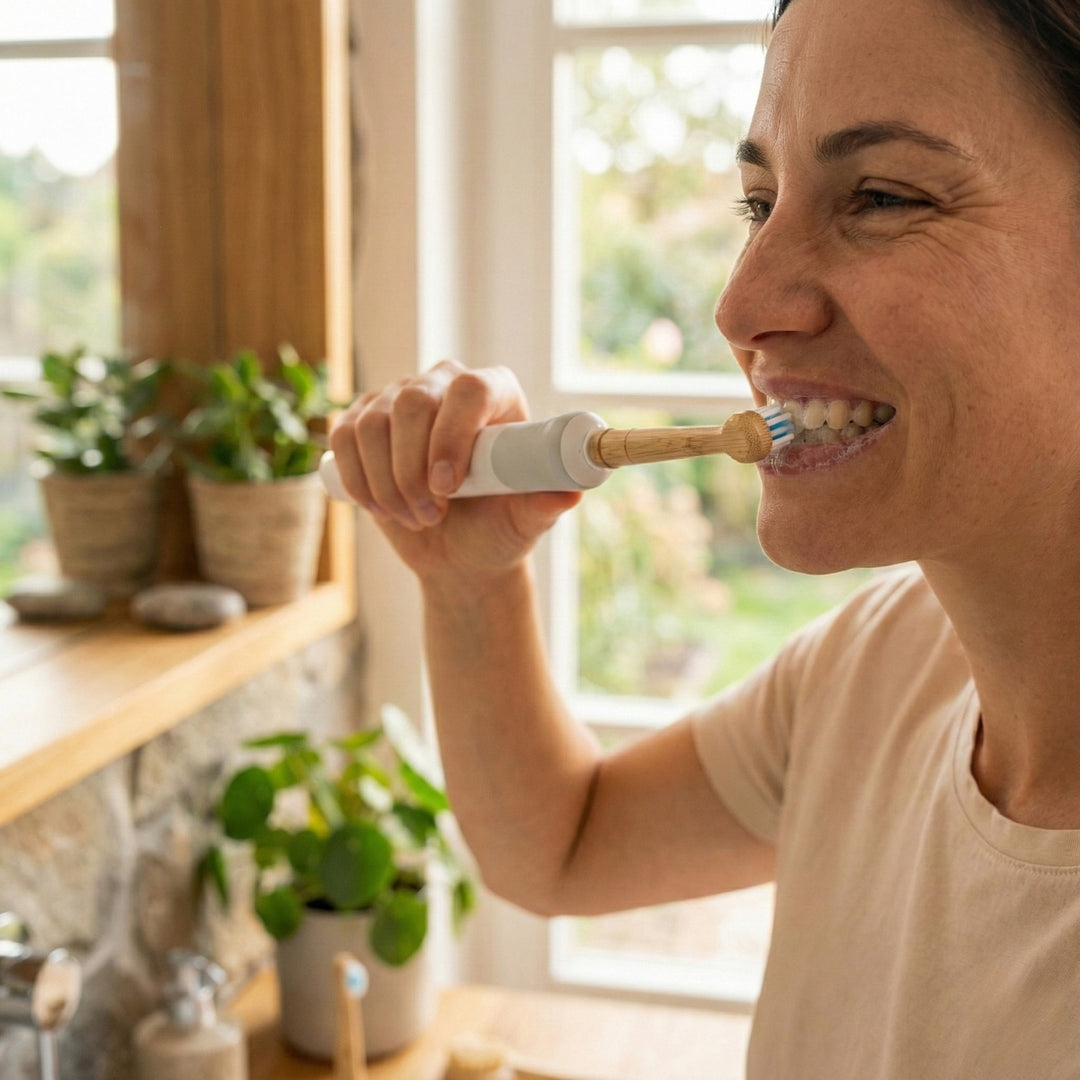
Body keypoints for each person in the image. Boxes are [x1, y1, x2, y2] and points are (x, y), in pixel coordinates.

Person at [328, 0, 1080, 1075]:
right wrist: (470, 581)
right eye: (758, 204)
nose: (741, 304)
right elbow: (565, 846)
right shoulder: (878, 667)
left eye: (882, 197)